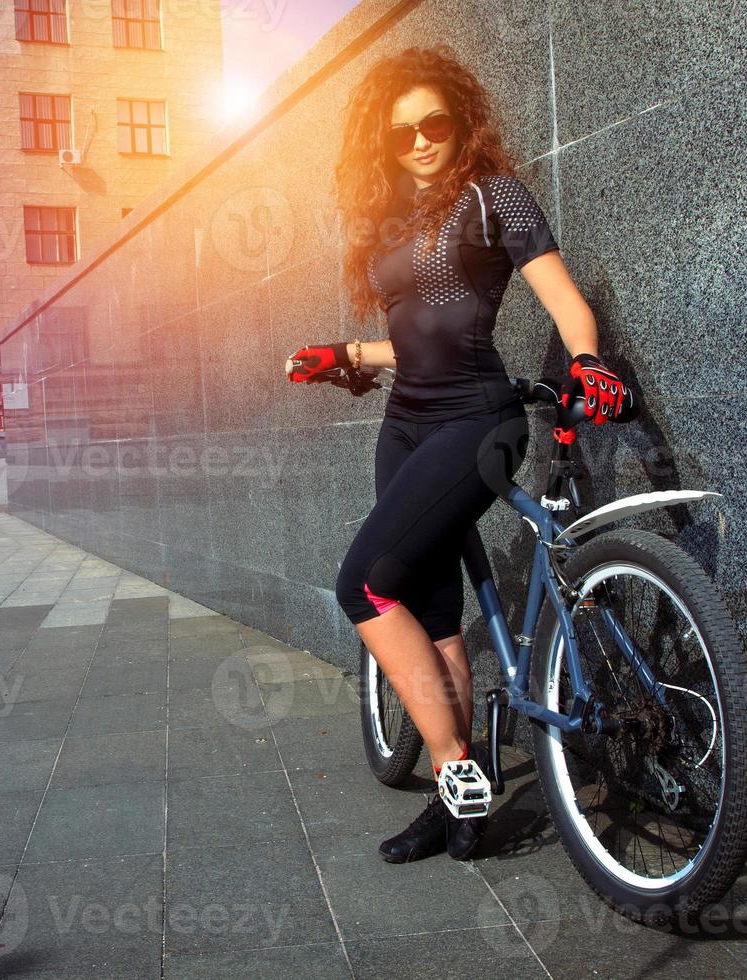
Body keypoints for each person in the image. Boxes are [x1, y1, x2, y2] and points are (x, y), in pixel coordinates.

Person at [285, 46, 637, 863]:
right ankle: (460, 810)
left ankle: (452, 767)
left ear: (460, 121)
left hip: (477, 423)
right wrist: (346, 354)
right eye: (400, 131)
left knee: (363, 584)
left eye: (432, 123)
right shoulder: (394, 222)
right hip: (405, 422)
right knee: (435, 613)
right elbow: (418, 340)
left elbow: (563, 301)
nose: (418, 140)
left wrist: (586, 361)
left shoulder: (493, 198)